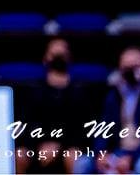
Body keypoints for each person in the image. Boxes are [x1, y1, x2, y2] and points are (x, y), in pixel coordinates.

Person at [82, 47, 140, 175]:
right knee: (83, 163)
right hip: (119, 151)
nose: (130, 72)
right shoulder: (115, 93)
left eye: (134, 67)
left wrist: (133, 156)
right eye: (126, 68)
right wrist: (101, 152)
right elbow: (103, 127)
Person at [15, 38, 95, 174]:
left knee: (73, 156)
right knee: (20, 155)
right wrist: (39, 145)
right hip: (37, 144)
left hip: (69, 145)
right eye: (54, 55)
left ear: (69, 58)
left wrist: (59, 146)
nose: (58, 60)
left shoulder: (80, 92)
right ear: (45, 59)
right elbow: (25, 124)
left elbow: (84, 127)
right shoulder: (33, 91)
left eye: (61, 56)